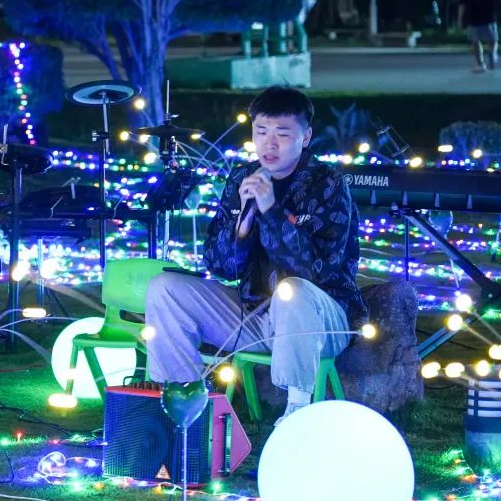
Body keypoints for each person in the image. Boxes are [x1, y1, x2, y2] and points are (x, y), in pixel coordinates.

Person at [144, 86, 367, 425]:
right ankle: (181, 403)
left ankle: (297, 412)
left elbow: (314, 272)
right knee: (165, 288)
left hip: (321, 322)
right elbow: (218, 265)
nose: (269, 144)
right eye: (261, 132)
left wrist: (272, 211)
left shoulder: (328, 184)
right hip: (254, 313)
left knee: (292, 290)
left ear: (305, 137)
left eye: (282, 134)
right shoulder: (241, 177)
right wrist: (243, 226)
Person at [457, 0, 501, 73]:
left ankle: (480, 64)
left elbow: (462, 5)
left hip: (473, 18)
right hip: (488, 16)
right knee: (492, 39)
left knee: (475, 41)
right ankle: (492, 54)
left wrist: (460, 19)